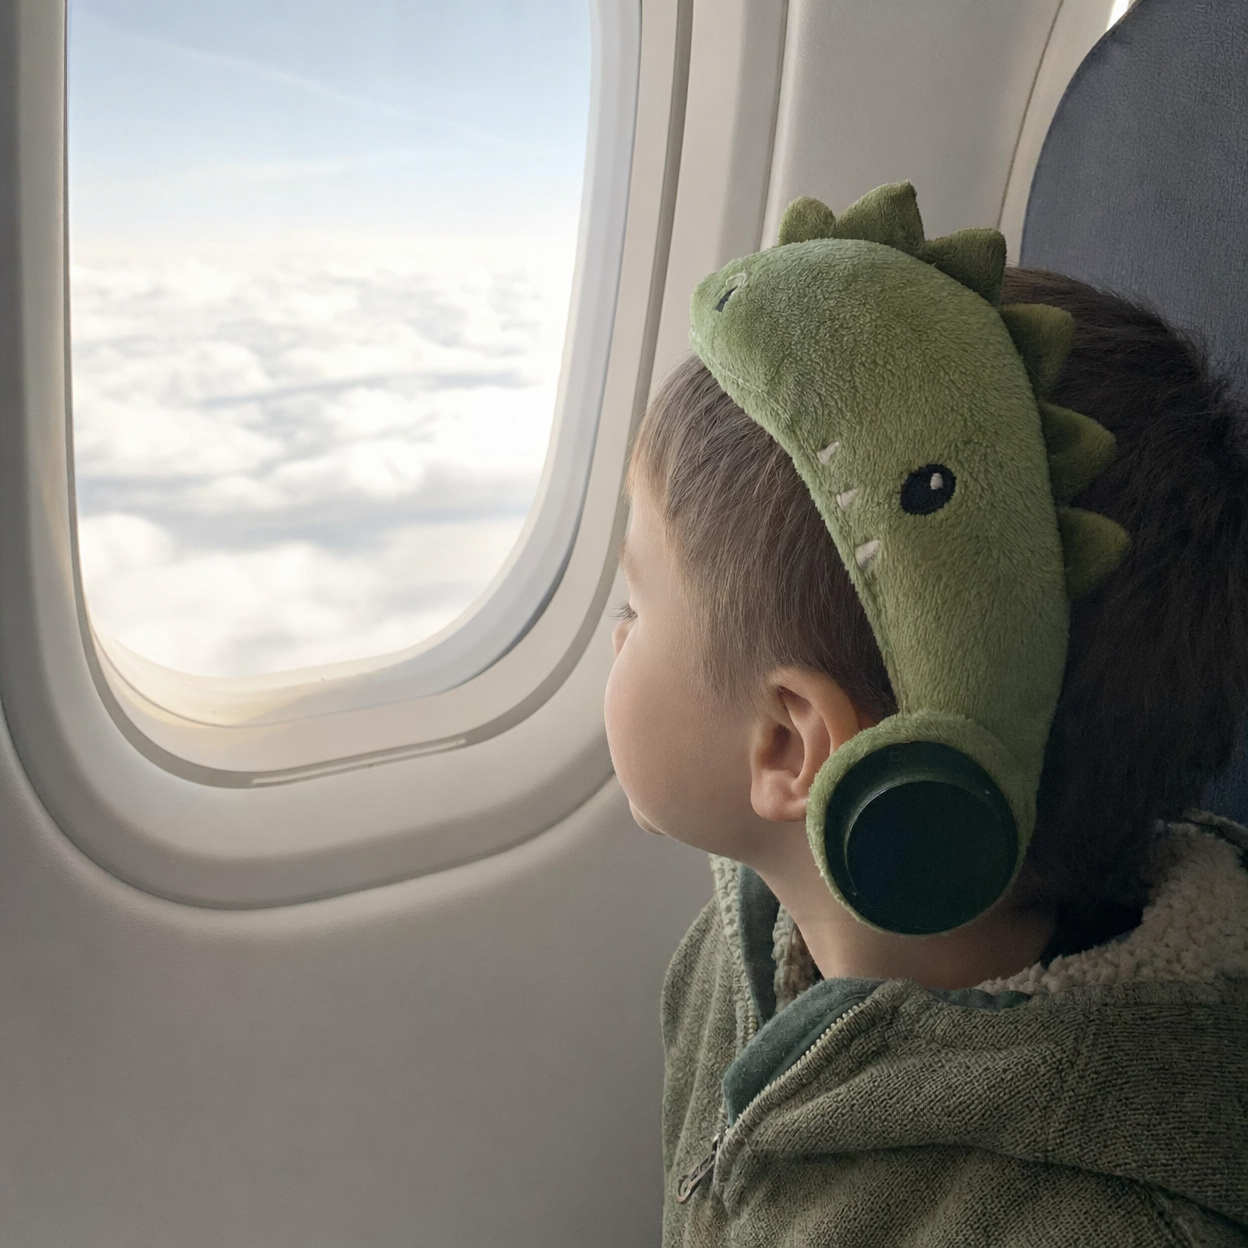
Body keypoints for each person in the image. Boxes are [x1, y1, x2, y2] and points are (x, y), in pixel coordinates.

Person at [604, 183, 1248, 1246]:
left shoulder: (1093, 1219)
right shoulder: (738, 946)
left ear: (788, 743)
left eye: (635, 603)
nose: (617, 634)